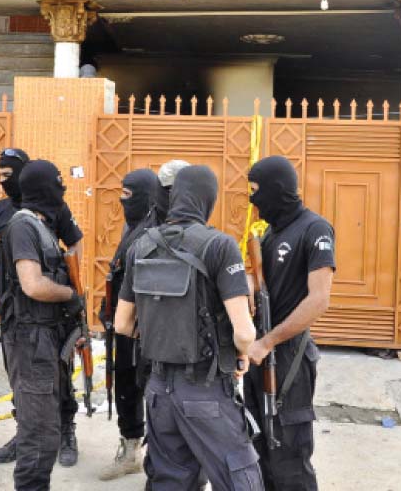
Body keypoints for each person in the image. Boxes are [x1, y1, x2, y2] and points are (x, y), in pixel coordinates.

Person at [115, 165, 264, 491]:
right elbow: (244, 332)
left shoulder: (140, 245)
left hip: (157, 391)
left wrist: (163, 333)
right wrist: (241, 352)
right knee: (242, 476)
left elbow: (122, 324)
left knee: (170, 480)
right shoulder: (220, 246)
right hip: (205, 388)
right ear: (208, 199)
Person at [0, 148, 83, 467]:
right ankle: (25, 433)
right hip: (17, 311)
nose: (2, 181)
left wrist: (66, 281)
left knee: (60, 378)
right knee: (22, 379)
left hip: (52, 309)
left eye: (8, 175)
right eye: (0, 175)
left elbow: (75, 246)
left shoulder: (53, 209)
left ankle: (66, 432)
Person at [243, 156, 335, 491]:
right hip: (258, 354)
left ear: (276, 189)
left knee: (290, 457)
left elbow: (318, 299)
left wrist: (268, 341)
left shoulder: (314, 229)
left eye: (256, 191)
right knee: (259, 448)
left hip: (288, 357)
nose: (252, 200)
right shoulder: (269, 234)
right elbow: (261, 285)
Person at [0, 159, 86, 490]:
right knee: (37, 437)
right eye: (58, 184)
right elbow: (32, 285)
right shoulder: (23, 225)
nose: (62, 190)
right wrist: (68, 293)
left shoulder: (44, 226)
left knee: (46, 433)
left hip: (47, 337)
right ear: (42, 188)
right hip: (30, 338)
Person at [99, 169, 164, 482]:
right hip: (123, 326)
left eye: (129, 195)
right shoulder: (133, 226)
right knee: (125, 385)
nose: (123, 201)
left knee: (150, 388)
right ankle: (130, 452)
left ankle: (160, 458)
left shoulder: (156, 230)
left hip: (146, 329)